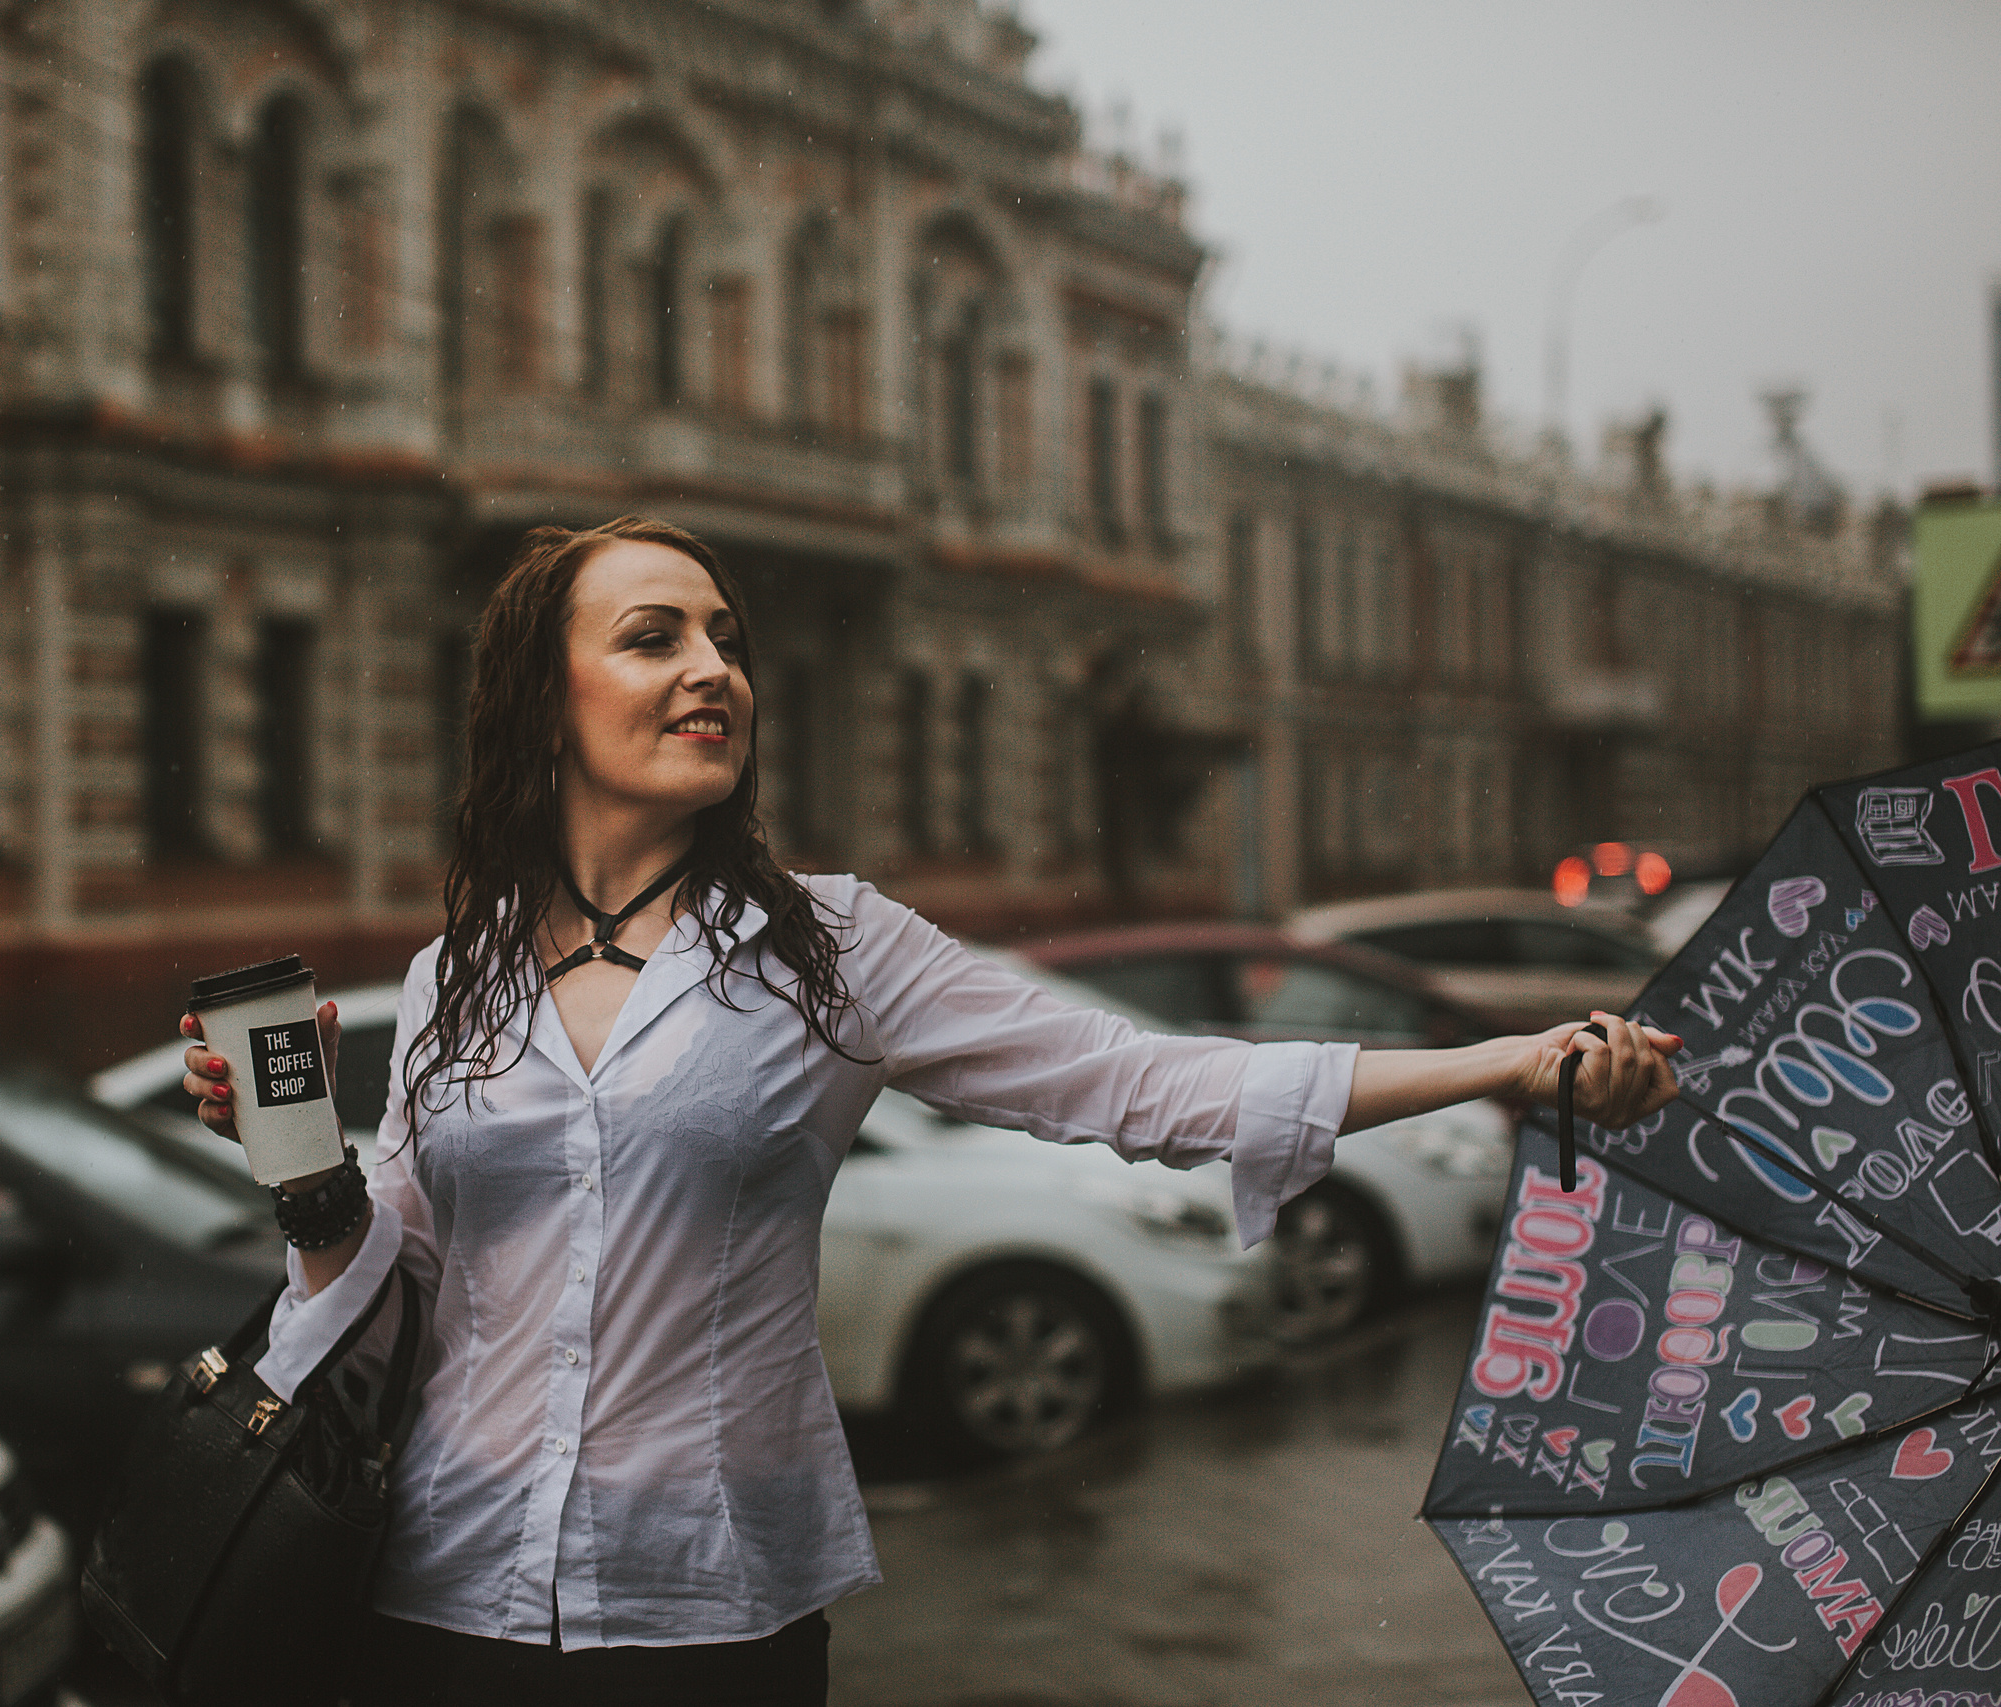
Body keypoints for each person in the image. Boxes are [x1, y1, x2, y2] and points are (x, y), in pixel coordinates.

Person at [179, 516, 1681, 1706]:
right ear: (541, 701)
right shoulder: (459, 971)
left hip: (708, 1607)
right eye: (653, 637)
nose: (713, 670)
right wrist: (298, 1171)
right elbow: (399, 1305)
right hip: (446, 1591)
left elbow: (1146, 1081)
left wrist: (1503, 1062)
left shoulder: (829, 950)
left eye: (726, 640)